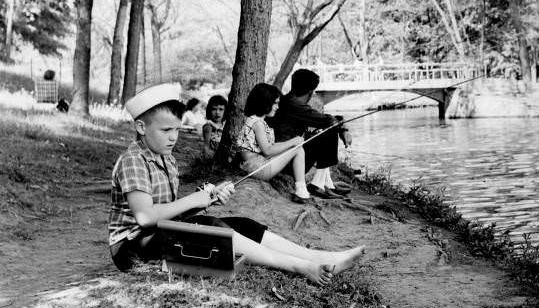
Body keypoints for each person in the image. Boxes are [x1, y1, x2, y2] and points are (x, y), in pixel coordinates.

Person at [108, 82, 365, 285]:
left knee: (243, 224)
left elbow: (169, 212)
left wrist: (207, 197)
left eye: (176, 130)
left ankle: (321, 257)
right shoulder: (133, 160)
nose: (173, 137)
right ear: (141, 127)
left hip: (158, 233)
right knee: (210, 228)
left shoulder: (167, 159)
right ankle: (300, 266)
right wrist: (194, 200)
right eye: (166, 131)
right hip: (131, 248)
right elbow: (144, 217)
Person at [269, 69, 352, 199]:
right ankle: (317, 184)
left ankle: (325, 183)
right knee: (328, 130)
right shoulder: (295, 105)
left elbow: (326, 119)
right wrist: (343, 129)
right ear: (310, 92)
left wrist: (341, 127)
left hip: (283, 155)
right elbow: (329, 121)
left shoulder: (287, 101)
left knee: (323, 130)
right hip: (288, 161)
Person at [235, 83, 310, 202]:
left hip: (255, 165)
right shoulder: (258, 123)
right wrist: (293, 142)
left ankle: (301, 188)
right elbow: (268, 151)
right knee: (298, 149)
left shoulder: (255, 120)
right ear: (264, 102)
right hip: (258, 168)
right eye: (275, 103)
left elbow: (270, 146)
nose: (277, 107)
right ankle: (301, 189)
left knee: (296, 146)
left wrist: (292, 142)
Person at [202, 94, 227, 159]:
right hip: (213, 156)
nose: (217, 112)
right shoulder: (209, 126)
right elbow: (206, 147)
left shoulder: (226, 125)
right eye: (214, 109)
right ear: (209, 110)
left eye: (221, 109)